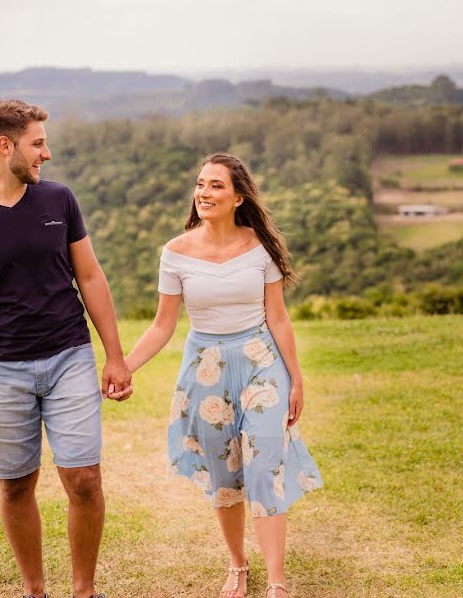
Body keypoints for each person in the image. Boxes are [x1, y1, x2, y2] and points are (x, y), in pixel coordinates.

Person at [0, 99, 132, 598]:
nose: (47, 152)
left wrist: (115, 355)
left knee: (84, 479)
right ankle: (34, 590)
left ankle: (83, 591)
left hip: (70, 357)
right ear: (6, 146)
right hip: (1, 369)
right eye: (37, 143)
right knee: (15, 484)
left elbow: (90, 276)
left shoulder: (59, 201)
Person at [125, 153, 322, 597]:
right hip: (206, 370)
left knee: (265, 464)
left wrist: (296, 378)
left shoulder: (259, 247)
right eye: (200, 184)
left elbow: (280, 318)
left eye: (215, 186)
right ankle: (238, 565)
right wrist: (124, 367)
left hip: (261, 364)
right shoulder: (175, 253)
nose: (204, 193)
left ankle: (277, 582)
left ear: (237, 197)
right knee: (226, 473)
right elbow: (162, 325)